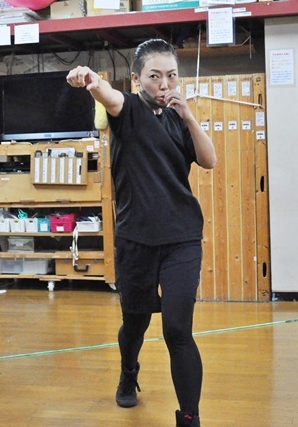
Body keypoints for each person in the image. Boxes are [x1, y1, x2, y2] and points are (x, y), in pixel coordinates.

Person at [67, 39, 217, 427]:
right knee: (135, 323)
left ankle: (189, 418)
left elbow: (209, 160)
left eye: (171, 76)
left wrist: (189, 118)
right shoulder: (127, 109)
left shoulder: (177, 119)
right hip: (136, 239)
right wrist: (89, 80)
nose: (164, 84)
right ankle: (128, 373)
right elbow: (108, 95)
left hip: (182, 237)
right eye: (155, 76)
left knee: (178, 329)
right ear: (137, 79)